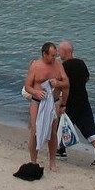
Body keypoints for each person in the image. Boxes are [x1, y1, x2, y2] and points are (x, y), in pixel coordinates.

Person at [57, 41, 95, 167]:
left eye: (60, 51)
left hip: (70, 101)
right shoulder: (81, 63)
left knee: (63, 125)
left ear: (65, 52)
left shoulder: (64, 66)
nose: (58, 53)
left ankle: (61, 151)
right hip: (83, 100)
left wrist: (62, 103)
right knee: (89, 127)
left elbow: (64, 85)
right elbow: (86, 78)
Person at [24, 41, 69, 174]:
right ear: (44, 54)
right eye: (52, 56)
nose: (54, 58)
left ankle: (52, 162)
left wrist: (58, 82)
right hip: (37, 101)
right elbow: (27, 86)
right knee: (35, 131)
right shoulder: (35, 66)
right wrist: (36, 92)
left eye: (55, 55)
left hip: (53, 101)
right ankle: (33, 161)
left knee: (52, 132)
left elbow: (66, 83)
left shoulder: (58, 64)